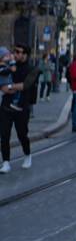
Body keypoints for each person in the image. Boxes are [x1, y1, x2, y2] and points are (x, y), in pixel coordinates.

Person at [0, 44, 38, 172]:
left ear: (25, 54)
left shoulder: (32, 69)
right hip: (6, 106)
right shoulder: (8, 66)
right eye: (14, 51)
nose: (15, 54)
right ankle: (6, 162)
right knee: (4, 135)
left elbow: (25, 85)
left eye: (18, 52)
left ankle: (27, 155)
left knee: (22, 134)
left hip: (22, 108)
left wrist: (10, 87)